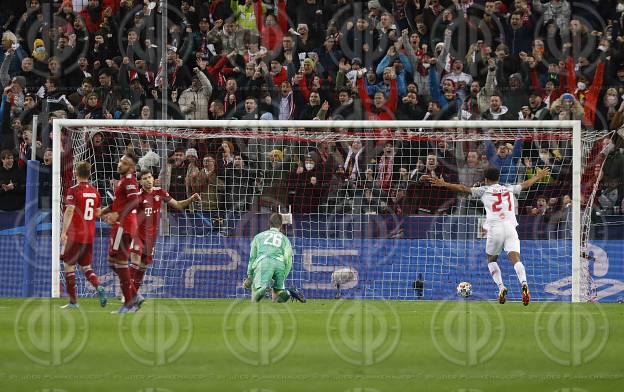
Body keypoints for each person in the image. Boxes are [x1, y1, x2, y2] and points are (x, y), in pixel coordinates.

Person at [425, 166, 551, 306]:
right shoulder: (508, 188)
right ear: (498, 178)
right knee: (516, 259)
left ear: (486, 179)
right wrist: (538, 176)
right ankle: (524, 283)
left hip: (495, 229)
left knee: (491, 260)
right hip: (510, 228)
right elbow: (525, 184)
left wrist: (445, 184)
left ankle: (501, 287)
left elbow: (462, 188)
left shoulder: (484, 190)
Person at [129, 169, 201, 306]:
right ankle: (128, 292)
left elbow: (178, 205)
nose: (148, 180)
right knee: (135, 263)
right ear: (139, 182)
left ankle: (132, 297)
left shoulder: (159, 192)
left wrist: (191, 199)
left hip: (151, 239)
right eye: (144, 178)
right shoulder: (137, 197)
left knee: (143, 267)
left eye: (150, 177)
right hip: (137, 236)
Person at [59, 162, 106, 308]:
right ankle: (98, 285)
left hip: (75, 234)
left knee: (68, 266)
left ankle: (73, 302)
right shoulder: (95, 191)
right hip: (89, 235)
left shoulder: (73, 190)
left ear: (75, 173)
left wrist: (64, 231)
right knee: (85, 266)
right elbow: (98, 213)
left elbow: (70, 210)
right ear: (89, 174)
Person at [99, 153, 141, 313]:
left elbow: (134, 201)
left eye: (124, 163)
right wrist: (104, 211)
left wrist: (119, 214)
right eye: (120, 161)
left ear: (131, 167)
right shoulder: (123, 181)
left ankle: (129, 301)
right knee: (112, 260)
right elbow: (118, 203)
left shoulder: (129, 181)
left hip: (124, 225)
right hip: (120, 225)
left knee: (120, 261)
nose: (119, 164)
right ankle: (133, 295)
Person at [242, 213, 305, 303]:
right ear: (281, 225)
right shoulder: (285, 239)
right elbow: (288, 260)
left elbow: (252, 257)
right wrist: (283, 276)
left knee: (256, 291)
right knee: (278, 293)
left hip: (264, 262)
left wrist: (250, 276)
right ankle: (286, 292)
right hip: (280, 264)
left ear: (269, 223)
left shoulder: (258, 237)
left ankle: (261, 289)